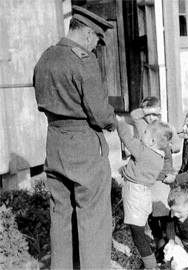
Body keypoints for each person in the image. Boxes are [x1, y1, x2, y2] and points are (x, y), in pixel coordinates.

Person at [33, 6, 117, 269]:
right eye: (97, 42)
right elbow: (100, 114)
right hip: (83, 144)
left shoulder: (46, 56)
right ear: (90, 35)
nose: (95, 48)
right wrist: (114, 123)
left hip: (54, 142)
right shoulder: (83, 60)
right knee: (93, 217)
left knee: (61, 215)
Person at [117, 115, 173, 270]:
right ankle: (158, 256)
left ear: (152, 142)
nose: (143, 135)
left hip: (135, 195)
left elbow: (127, 139)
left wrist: (120, 122)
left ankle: (151, 266)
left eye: (146, 133)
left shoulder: (144, 152)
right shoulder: (158, 157)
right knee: (141, 230)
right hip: (143, 194)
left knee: (138, 235)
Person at [130, 96, 181, 255]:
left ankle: (170, 244)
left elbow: (178, 145)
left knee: (164, 212)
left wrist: (163, 147)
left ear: (160, 113)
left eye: (155, 114)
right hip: (147, 177)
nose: (151, 118)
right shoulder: (141, 125)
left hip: (163, 178)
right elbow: (133, 114)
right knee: (151, 214)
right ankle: (159, 246)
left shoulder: (166, 127)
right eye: (148, 114)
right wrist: (147, 111)